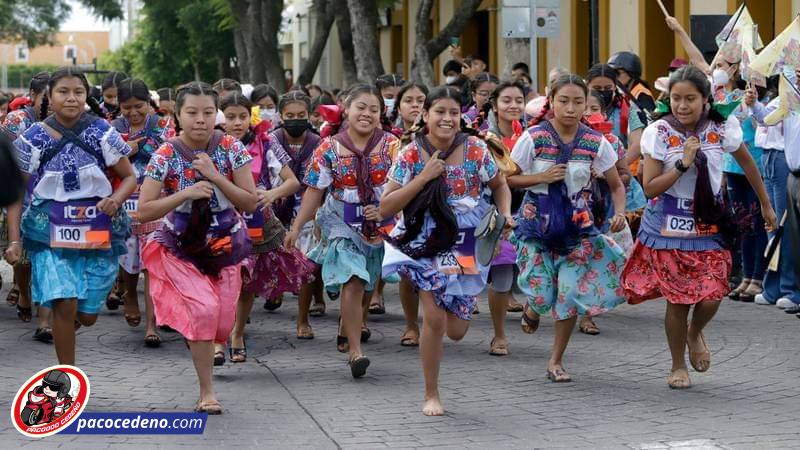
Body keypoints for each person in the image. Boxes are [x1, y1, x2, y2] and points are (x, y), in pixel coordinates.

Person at [621, 66, 776, 389]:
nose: (682, 106)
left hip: (711, 222)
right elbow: (649, 188)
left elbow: (748, 162)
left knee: (713, 293)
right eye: (676, 98)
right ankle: (678, 365)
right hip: (669, 226)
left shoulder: (722, 127)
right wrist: (682, 164)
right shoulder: (660, 132)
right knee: (677, 300)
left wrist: (765, 203)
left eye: (690, 98)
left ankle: (695, 331)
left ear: (705, 99)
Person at [380, 85, 513, 415]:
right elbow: (386, 206)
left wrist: (505, 215)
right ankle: (431, 394)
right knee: (435, 321)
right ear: (425, 116)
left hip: (465, 242)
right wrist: (423, 177)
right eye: (440, 112)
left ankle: (457, 313)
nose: (447, 118)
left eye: (454, 113)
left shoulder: (477, 150)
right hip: (424, 241)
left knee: (455, 330)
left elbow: (500, 186)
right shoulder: (410, 153)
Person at [137, 81, 257, 414]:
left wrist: (217, 177)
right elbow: (144, 209)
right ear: (178, 114)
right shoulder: (166, 152)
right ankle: (207, 392)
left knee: (221, 322)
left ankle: (214, 346)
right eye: (192, 112)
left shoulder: (231, 147)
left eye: (207, 112)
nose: (200, 120)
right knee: (203, 312)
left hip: (225, 242)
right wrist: (184, 194)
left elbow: (249, 203)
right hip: (181, 244)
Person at [5, 67, 137, 365]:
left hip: (98, 227)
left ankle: (72, 323)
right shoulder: (33, 137)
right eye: (63, 91)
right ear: (49, 97)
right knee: (63, 301)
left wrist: (115, 200)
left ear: (86, 96)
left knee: (87, 315)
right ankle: (66, 378)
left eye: (78, 92)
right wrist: (14, 241)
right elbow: (14, 192)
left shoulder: (103, 131)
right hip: (49, 228)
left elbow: (129, 177)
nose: (71, 98)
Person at [511, 74, 628, 383]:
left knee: (569, 294)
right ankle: (533, 307)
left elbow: (616, 185)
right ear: (552, 100)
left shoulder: (595, 142)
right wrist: (541, 178)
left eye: (578, 102)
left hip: (578, 230)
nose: (571, 108)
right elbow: (507, 179)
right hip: (536, 228)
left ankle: (556, 360)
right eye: (564, 101)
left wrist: (620, 212)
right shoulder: (533, 137)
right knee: (542, 294)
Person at [286, 84, 400, 379]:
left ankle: (350, 324)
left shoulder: (392, 146)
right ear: (346, 110)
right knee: (353, 279)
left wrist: (386, 209)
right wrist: (297, 226)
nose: (367, 114)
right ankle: (355, 351)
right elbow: (314, 190)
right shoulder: (329, 147)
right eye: (361, 107)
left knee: (366, 283)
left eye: (374, 109)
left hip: (379, 224)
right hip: (340, 222)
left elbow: (405, 185)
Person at [218, 92, 313, 363]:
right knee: (222, 278)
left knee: (246, 282)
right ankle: (218, 337)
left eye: (243, 116)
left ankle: (237, 333)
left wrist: (271, 194)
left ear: (252, 117)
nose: (237, 122)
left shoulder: (266, 142)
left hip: (255, 221)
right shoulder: (211, 143)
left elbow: (292, 181)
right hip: (219, 221)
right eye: (230, 117)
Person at [110, 78, 171, 347]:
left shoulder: (162, 126)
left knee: (153, 262)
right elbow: (108, 157)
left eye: (139, 107)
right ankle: (130, 294)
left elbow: (167, 152)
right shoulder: (112, 127)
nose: (133, 113)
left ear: (149, 103)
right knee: (128, 253)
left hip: (155, 196)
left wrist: (134, 147)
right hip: (124, 196)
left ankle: (152, 324)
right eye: (126, 108)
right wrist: (127, 150)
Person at [266, 91, 326, 337]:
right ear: (281, 116)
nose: (295, 119)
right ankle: (274, 291)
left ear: (309, 115)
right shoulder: (271, 140)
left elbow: (325, 178)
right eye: (290, 115)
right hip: (274, 207)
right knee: (274, 258)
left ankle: (303, 320)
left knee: (306, 266)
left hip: (307, 209)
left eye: (301, 115)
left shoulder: (319, 142)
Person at [481, 80, 528, 356]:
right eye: (507, 100)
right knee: (500, 274)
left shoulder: (533, 134)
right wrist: (538, 177)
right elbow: (501, 179)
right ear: (495, 105)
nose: (513, 106)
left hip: (533, 211)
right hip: (496, 211)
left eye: (519, 100)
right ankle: (499, 334)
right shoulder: (486, 138)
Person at [746, 73, 800, 310]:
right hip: (775, 163)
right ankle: (775, 286)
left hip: (784, 165)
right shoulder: (786, 98)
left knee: (786, 229)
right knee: (773, 226)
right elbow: (766, 119)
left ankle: (790, 288)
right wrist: (753, 103)